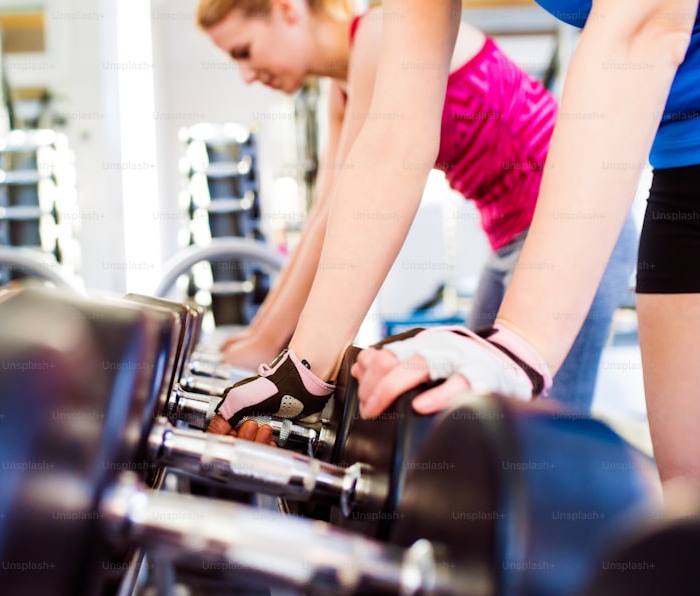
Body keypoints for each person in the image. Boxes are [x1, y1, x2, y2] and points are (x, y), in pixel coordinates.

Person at [216, 0, 700, 498]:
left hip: (579, 219)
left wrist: (521, 346)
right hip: (684, 171)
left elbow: (645, 26)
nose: (242, 73)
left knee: (532, 460)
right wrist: (303, 371)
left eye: (242, 51)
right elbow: (393, 141)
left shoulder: (367, 37)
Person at [198, 0, 636, 418]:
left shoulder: (376, 35)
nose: (246, 75)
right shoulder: (342, 86)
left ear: (286, 9)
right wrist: (260, 341)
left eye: (244, 51)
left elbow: (340, 213)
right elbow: (324, 217)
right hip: (508, 241)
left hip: (578, 233)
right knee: (474, 415)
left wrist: (272, 349)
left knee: (539, 428)